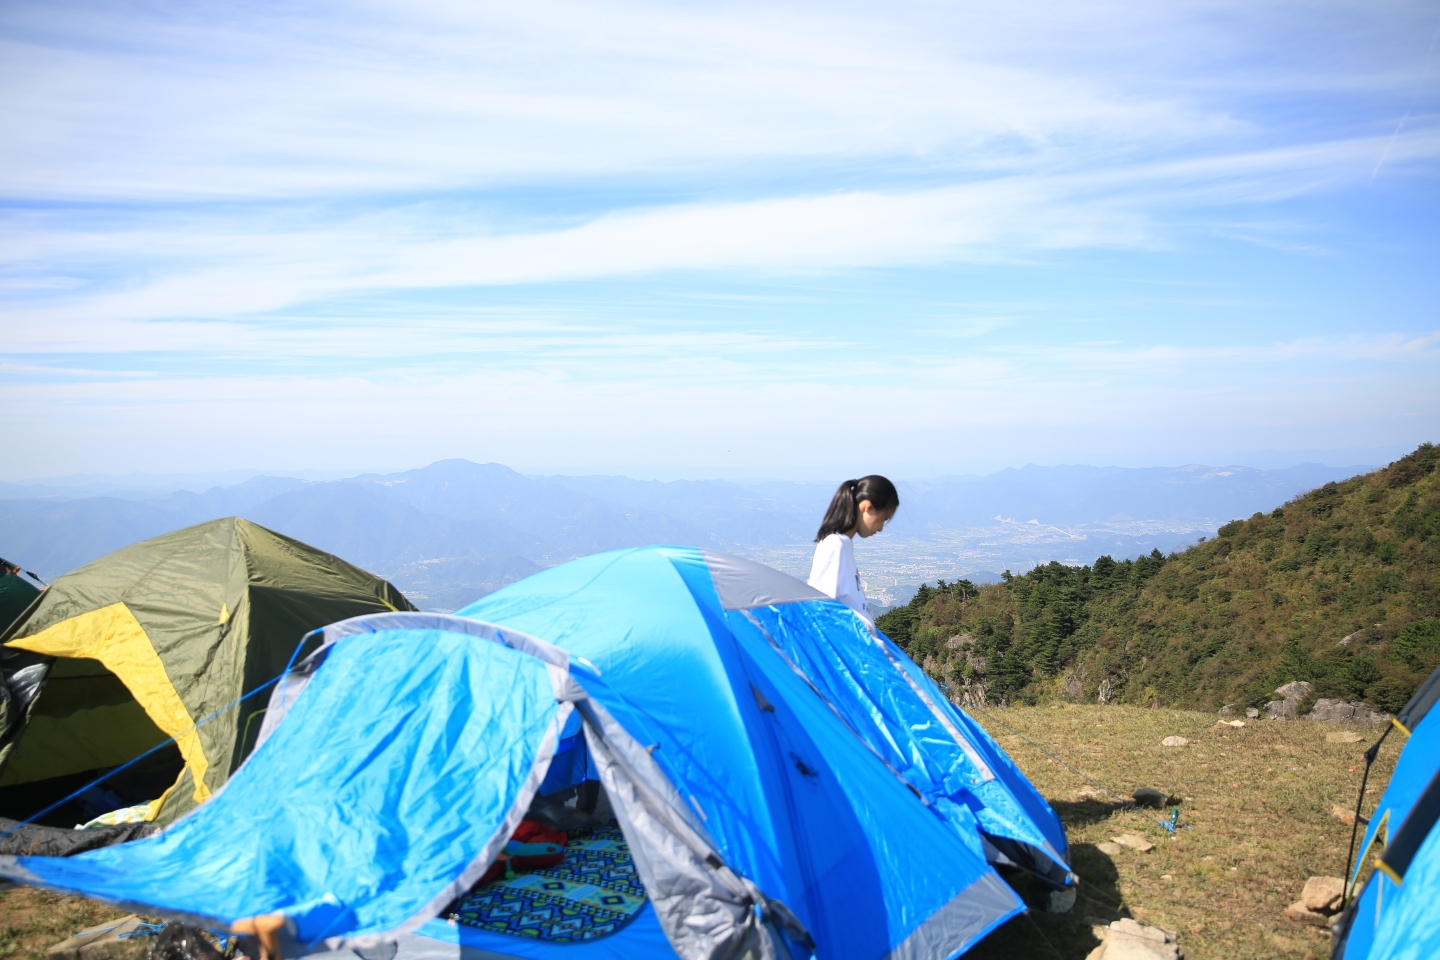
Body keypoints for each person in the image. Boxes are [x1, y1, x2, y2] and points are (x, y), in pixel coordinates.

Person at [807, 475, 899, 625]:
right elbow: (822, 609)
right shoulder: (835, 545)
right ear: (868, 507)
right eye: (883, 518)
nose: (881, 528)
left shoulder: (843, 544)